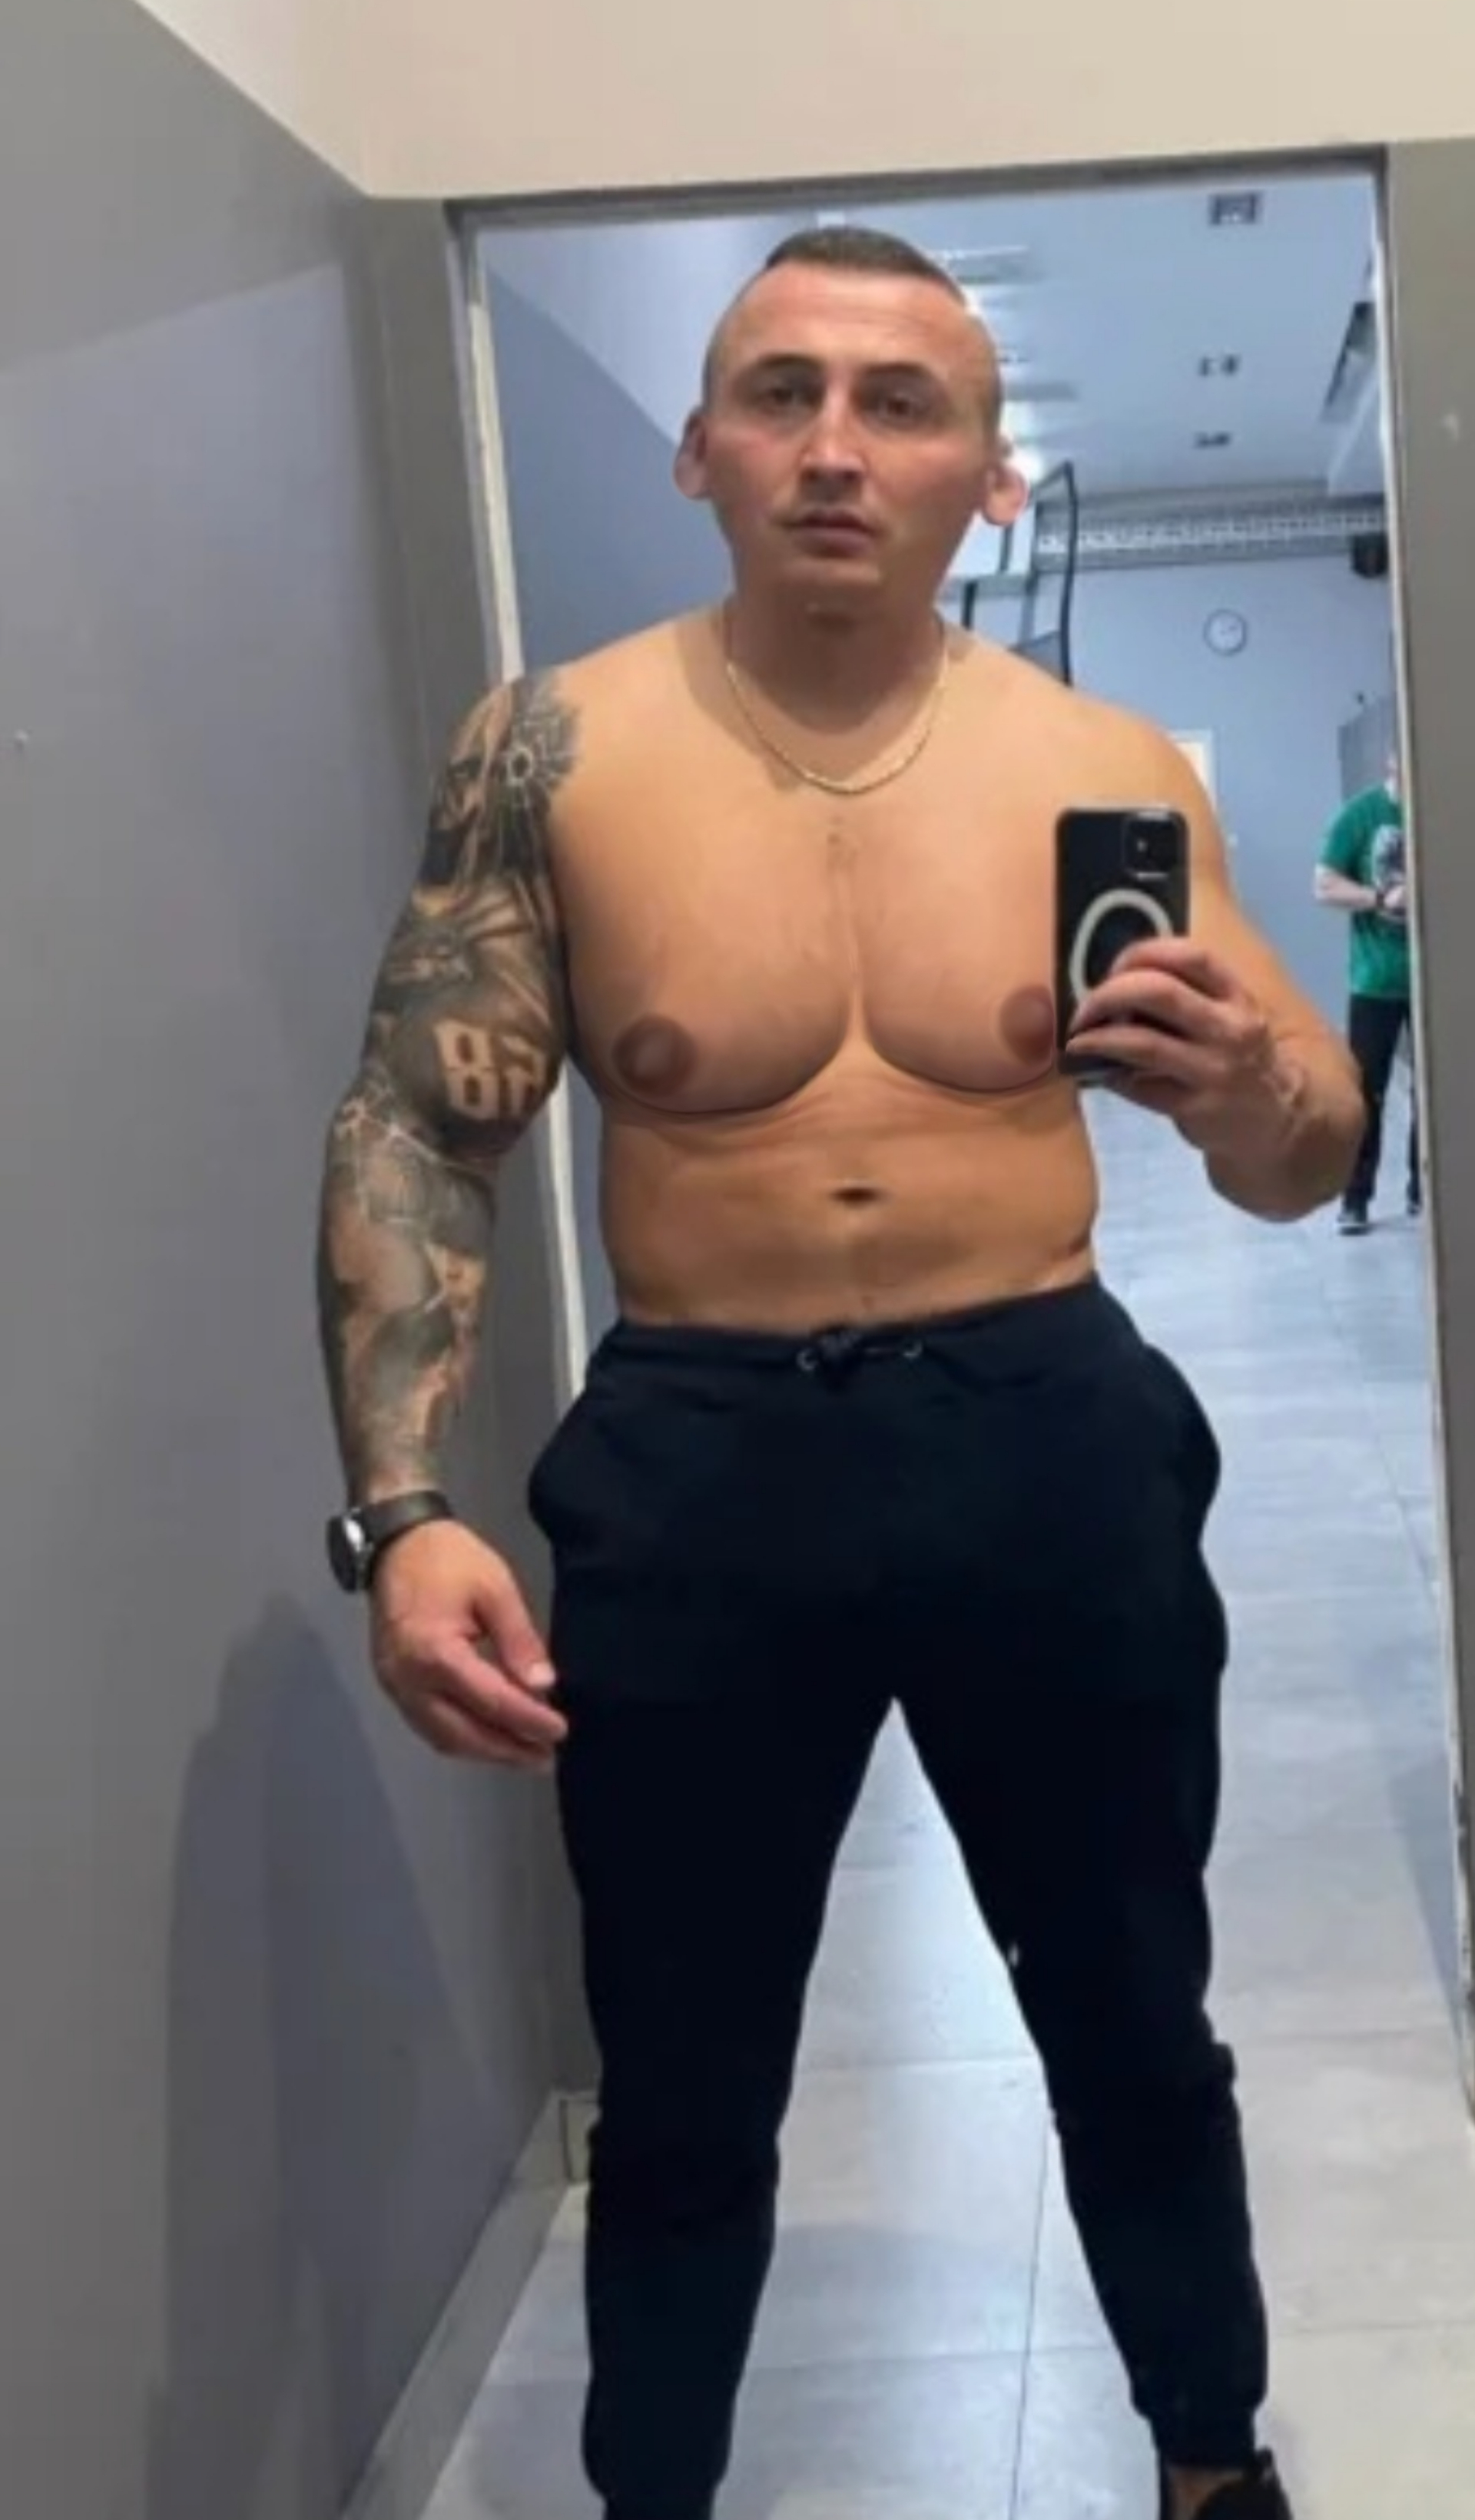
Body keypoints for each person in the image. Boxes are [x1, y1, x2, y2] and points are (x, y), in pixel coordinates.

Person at [317, 227, 1364, 2520]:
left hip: (1043, 1435)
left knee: (1131, 2019)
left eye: (901, 402)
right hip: (699, 1467)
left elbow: (1308, 1160)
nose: (832, 445)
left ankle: (1211, 2465)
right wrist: (401, 1511)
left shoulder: (1100, 768)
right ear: (698, 447)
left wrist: (1248, 1089)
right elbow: (417, 1123)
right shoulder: (555, 751)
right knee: (684, 2073)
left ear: (989, 474)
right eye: (779, 391)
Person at [1314, 751, 1419, 1234]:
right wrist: (1380, 898)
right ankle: (1355, 1198)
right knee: (1366, 1092)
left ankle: (1425, 1190)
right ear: (1391, 760)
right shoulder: (1361, 816)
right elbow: (1323, 885)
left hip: (1433, 981)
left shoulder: (1437, 810)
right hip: (1375, 981)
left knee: (1434, 1092)